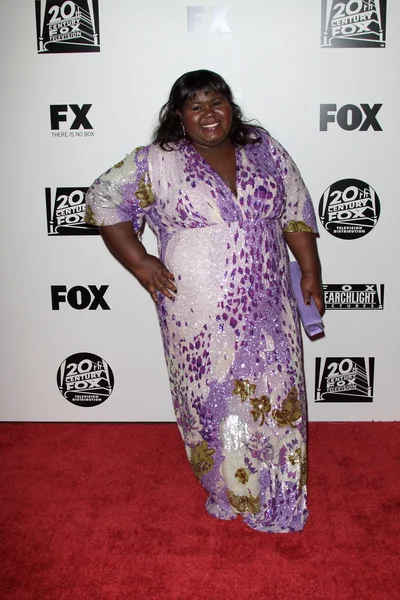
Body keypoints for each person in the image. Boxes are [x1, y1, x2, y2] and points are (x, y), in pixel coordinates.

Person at [85, 69, 324, 533]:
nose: (208, 114)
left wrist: (310, 269)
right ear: (180, 115)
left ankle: (277, 491)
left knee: (276, 391)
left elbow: (294, 206)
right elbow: (102, 199)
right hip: (197, 306)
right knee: (213, 399)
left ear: (231, 107)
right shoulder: (157, 160)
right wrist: (140, 262)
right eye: (195, 106)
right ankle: (228, 486)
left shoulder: (263, 147)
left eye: (216, 102)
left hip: (268, 298)